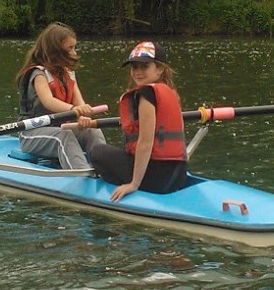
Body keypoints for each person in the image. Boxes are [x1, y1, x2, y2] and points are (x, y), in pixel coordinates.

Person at [80, 40, 191, 200]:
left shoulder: (146, 96)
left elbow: (145, 142)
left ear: (159, 68)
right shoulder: (170, 93)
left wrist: (134, 184)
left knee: (97, 151)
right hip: (178, 175)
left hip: (156, 179)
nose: (138, 72)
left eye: (144, 66)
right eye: (134, 67)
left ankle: (120, 188)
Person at [14, 23, 102, 170]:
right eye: (70, 48)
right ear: (55, 51)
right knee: (64, 136)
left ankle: (103, 170)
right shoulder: (39, 74)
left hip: (60, 127)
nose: (75, 53)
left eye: (75, 47)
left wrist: (83, 117)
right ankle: (81, 175)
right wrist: (75, 109)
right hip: (32, 133)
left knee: (93, 131)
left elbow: (79, 103)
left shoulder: (68, 74)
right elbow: (48, 102)